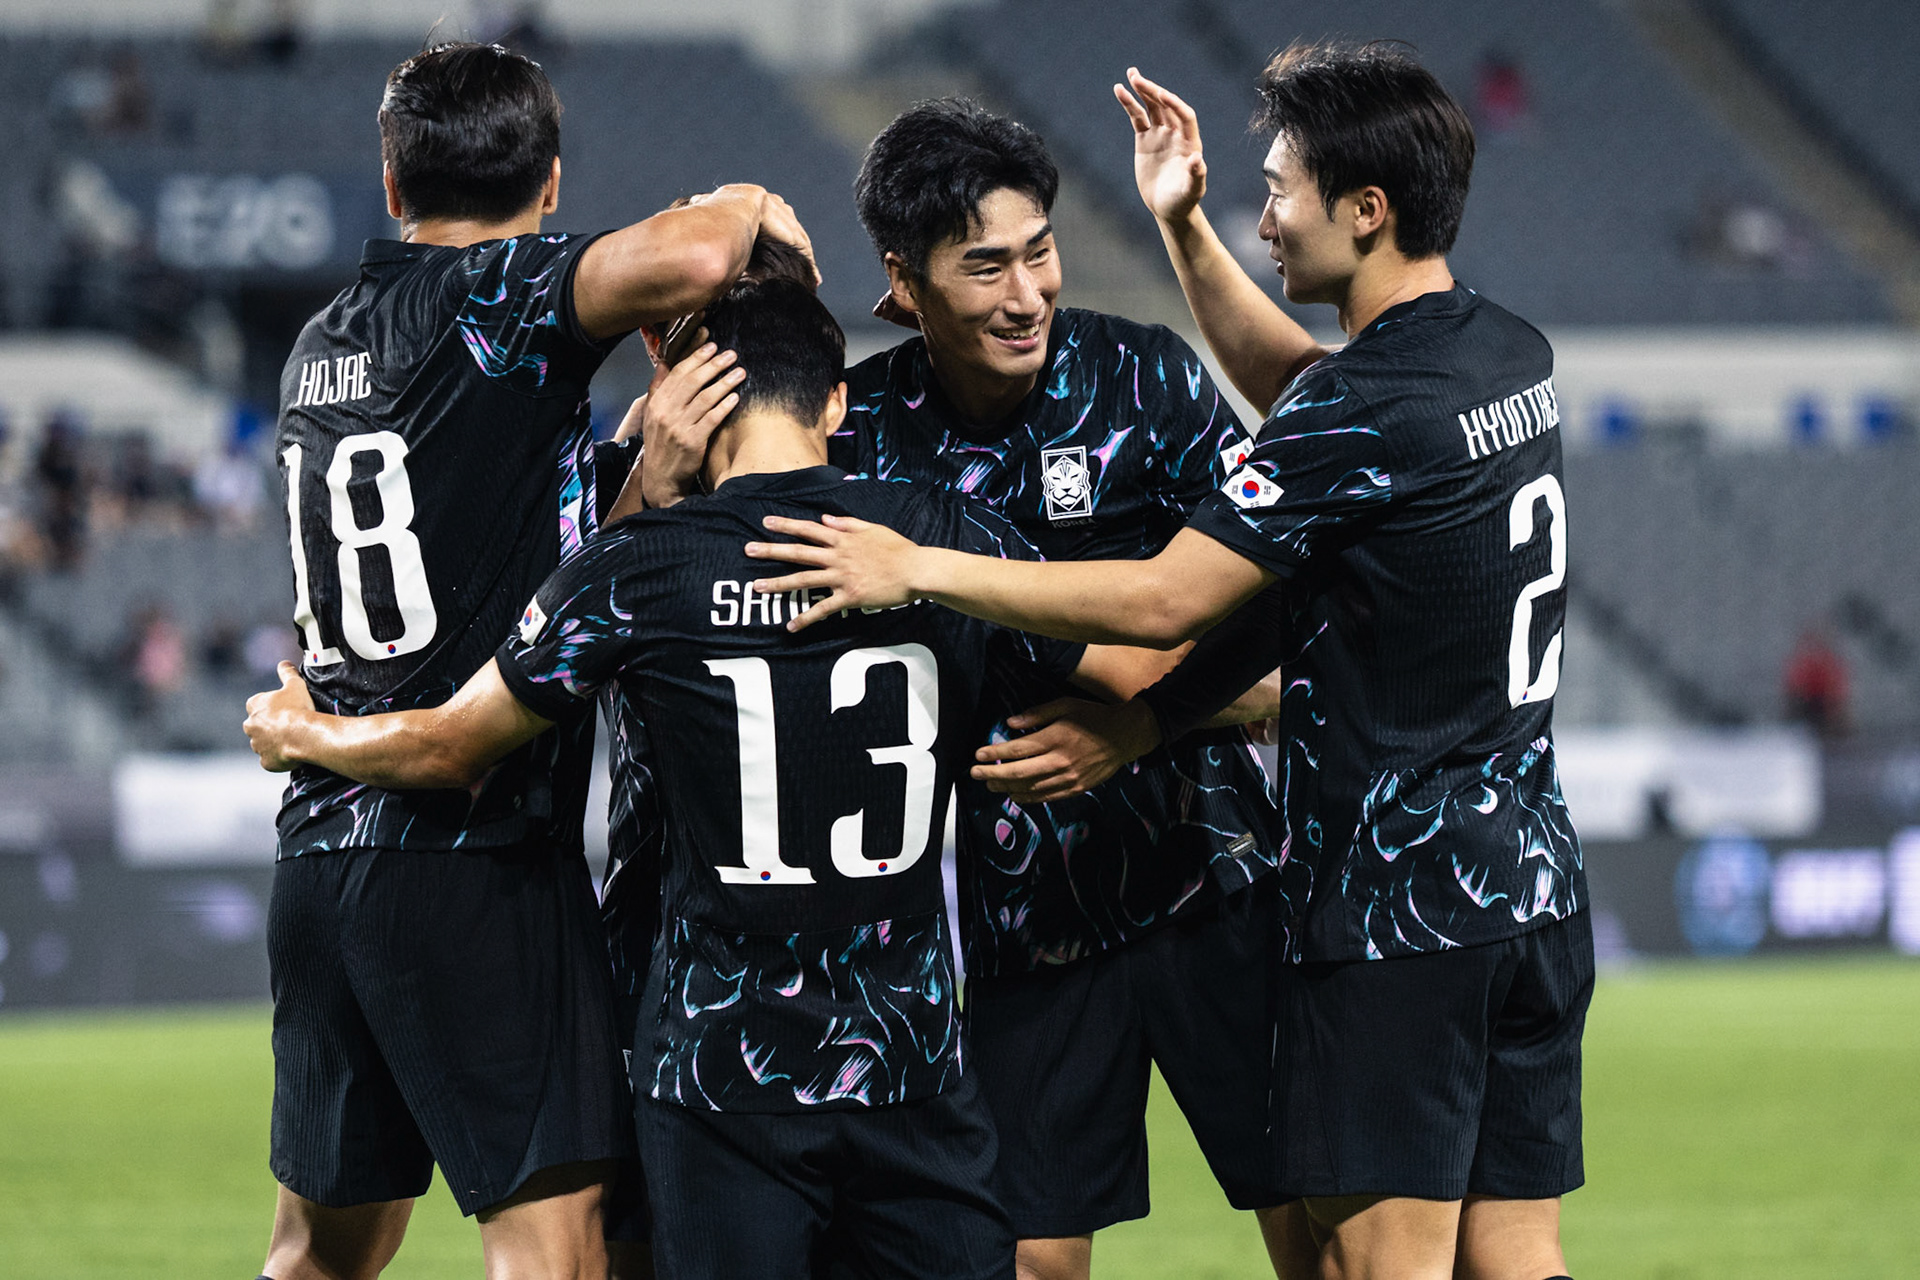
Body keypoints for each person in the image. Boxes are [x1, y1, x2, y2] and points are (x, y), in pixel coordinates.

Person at [746, 44, 1591, 1280]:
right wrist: (1183, 226)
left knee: (1366, 1262)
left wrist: (922, 567)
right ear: (906, 282)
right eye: (988, 263)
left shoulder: (1205, 389)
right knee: (1512, 1257)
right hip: (1497, 874)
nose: (1268, 214)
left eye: (1283, 187)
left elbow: (1169, 598)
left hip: (1356, 898)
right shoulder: (1504, 356)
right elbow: (1314, 398)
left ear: (1367, 210)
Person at [246, 275, 1210, 1279]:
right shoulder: (938, 536)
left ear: (693, 399)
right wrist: (1161, 721)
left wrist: (307, 735)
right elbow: (1146, 667)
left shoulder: (639, 566)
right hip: (907, 1055)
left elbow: (451, 745)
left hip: (719, 1066)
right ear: (837, 402)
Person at [639, 97, 1291, 1280]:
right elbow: (704, 609)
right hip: (1014, 929)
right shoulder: (859, 436)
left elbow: (1289, 654)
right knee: (1032, 1263)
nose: (1025, 293)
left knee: (1330, 1239)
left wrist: (1137, 727)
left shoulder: (1149, 381)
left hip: (1214, 881)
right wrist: (660, 474)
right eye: (983, 265)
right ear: (904, 280)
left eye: (1037, 251)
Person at [261, 40, 814, 1280]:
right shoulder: (503, 295)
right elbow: (702, 255)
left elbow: (490, 530)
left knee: (322, 1250)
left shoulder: (321, 347)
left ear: (391, 183)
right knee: (555, 1247)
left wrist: (636, 480)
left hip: (321, 863)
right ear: (550, 185)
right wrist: (751, 205)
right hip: (475, 863)